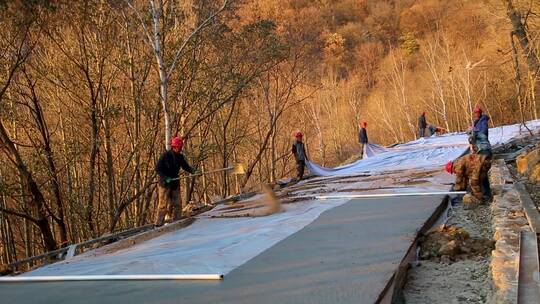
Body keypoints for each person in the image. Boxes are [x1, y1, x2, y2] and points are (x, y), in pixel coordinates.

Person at [155, 136, 195, 226]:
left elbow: (186, 166)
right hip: (164, 184)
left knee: (177, 203)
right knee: (163, 205)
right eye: (179, 147)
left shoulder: (180, 157)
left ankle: (177, 220)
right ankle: (159, 223)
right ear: (174, 147)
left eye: (181, 147)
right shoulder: (165, 156)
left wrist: (193, 171)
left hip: (174, 183)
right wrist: (165, 177)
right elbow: (157, 168)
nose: (180, 149)